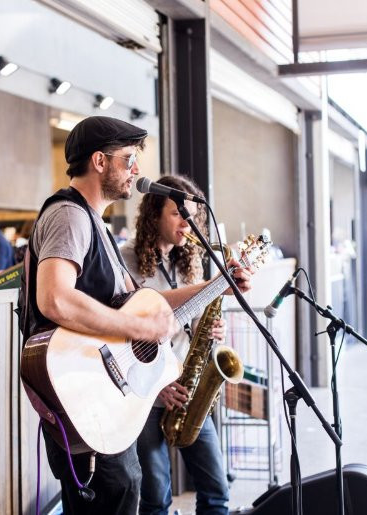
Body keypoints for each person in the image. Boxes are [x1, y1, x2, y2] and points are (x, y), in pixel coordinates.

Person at [20, 115, 252, 514]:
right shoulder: (69, 215)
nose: (136, 170)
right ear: (99, 161)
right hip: (86, 397)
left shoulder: (96, 224)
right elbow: (53, 299)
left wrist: (218, 285)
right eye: (128, 159)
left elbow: (143, 303)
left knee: (128, 490)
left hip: (100, 400)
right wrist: (136, 325)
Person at [121, 175, 230, 515]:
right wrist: (158, 387)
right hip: (146, 395)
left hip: (189, 389)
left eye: (193, 216)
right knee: (156, 498)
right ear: (153, 214)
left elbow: (191, 320)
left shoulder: (189, 262)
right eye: (178, 214)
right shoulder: (125, 260)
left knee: (217, 491)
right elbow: (124, 334)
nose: (188, 224)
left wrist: (211, 329)